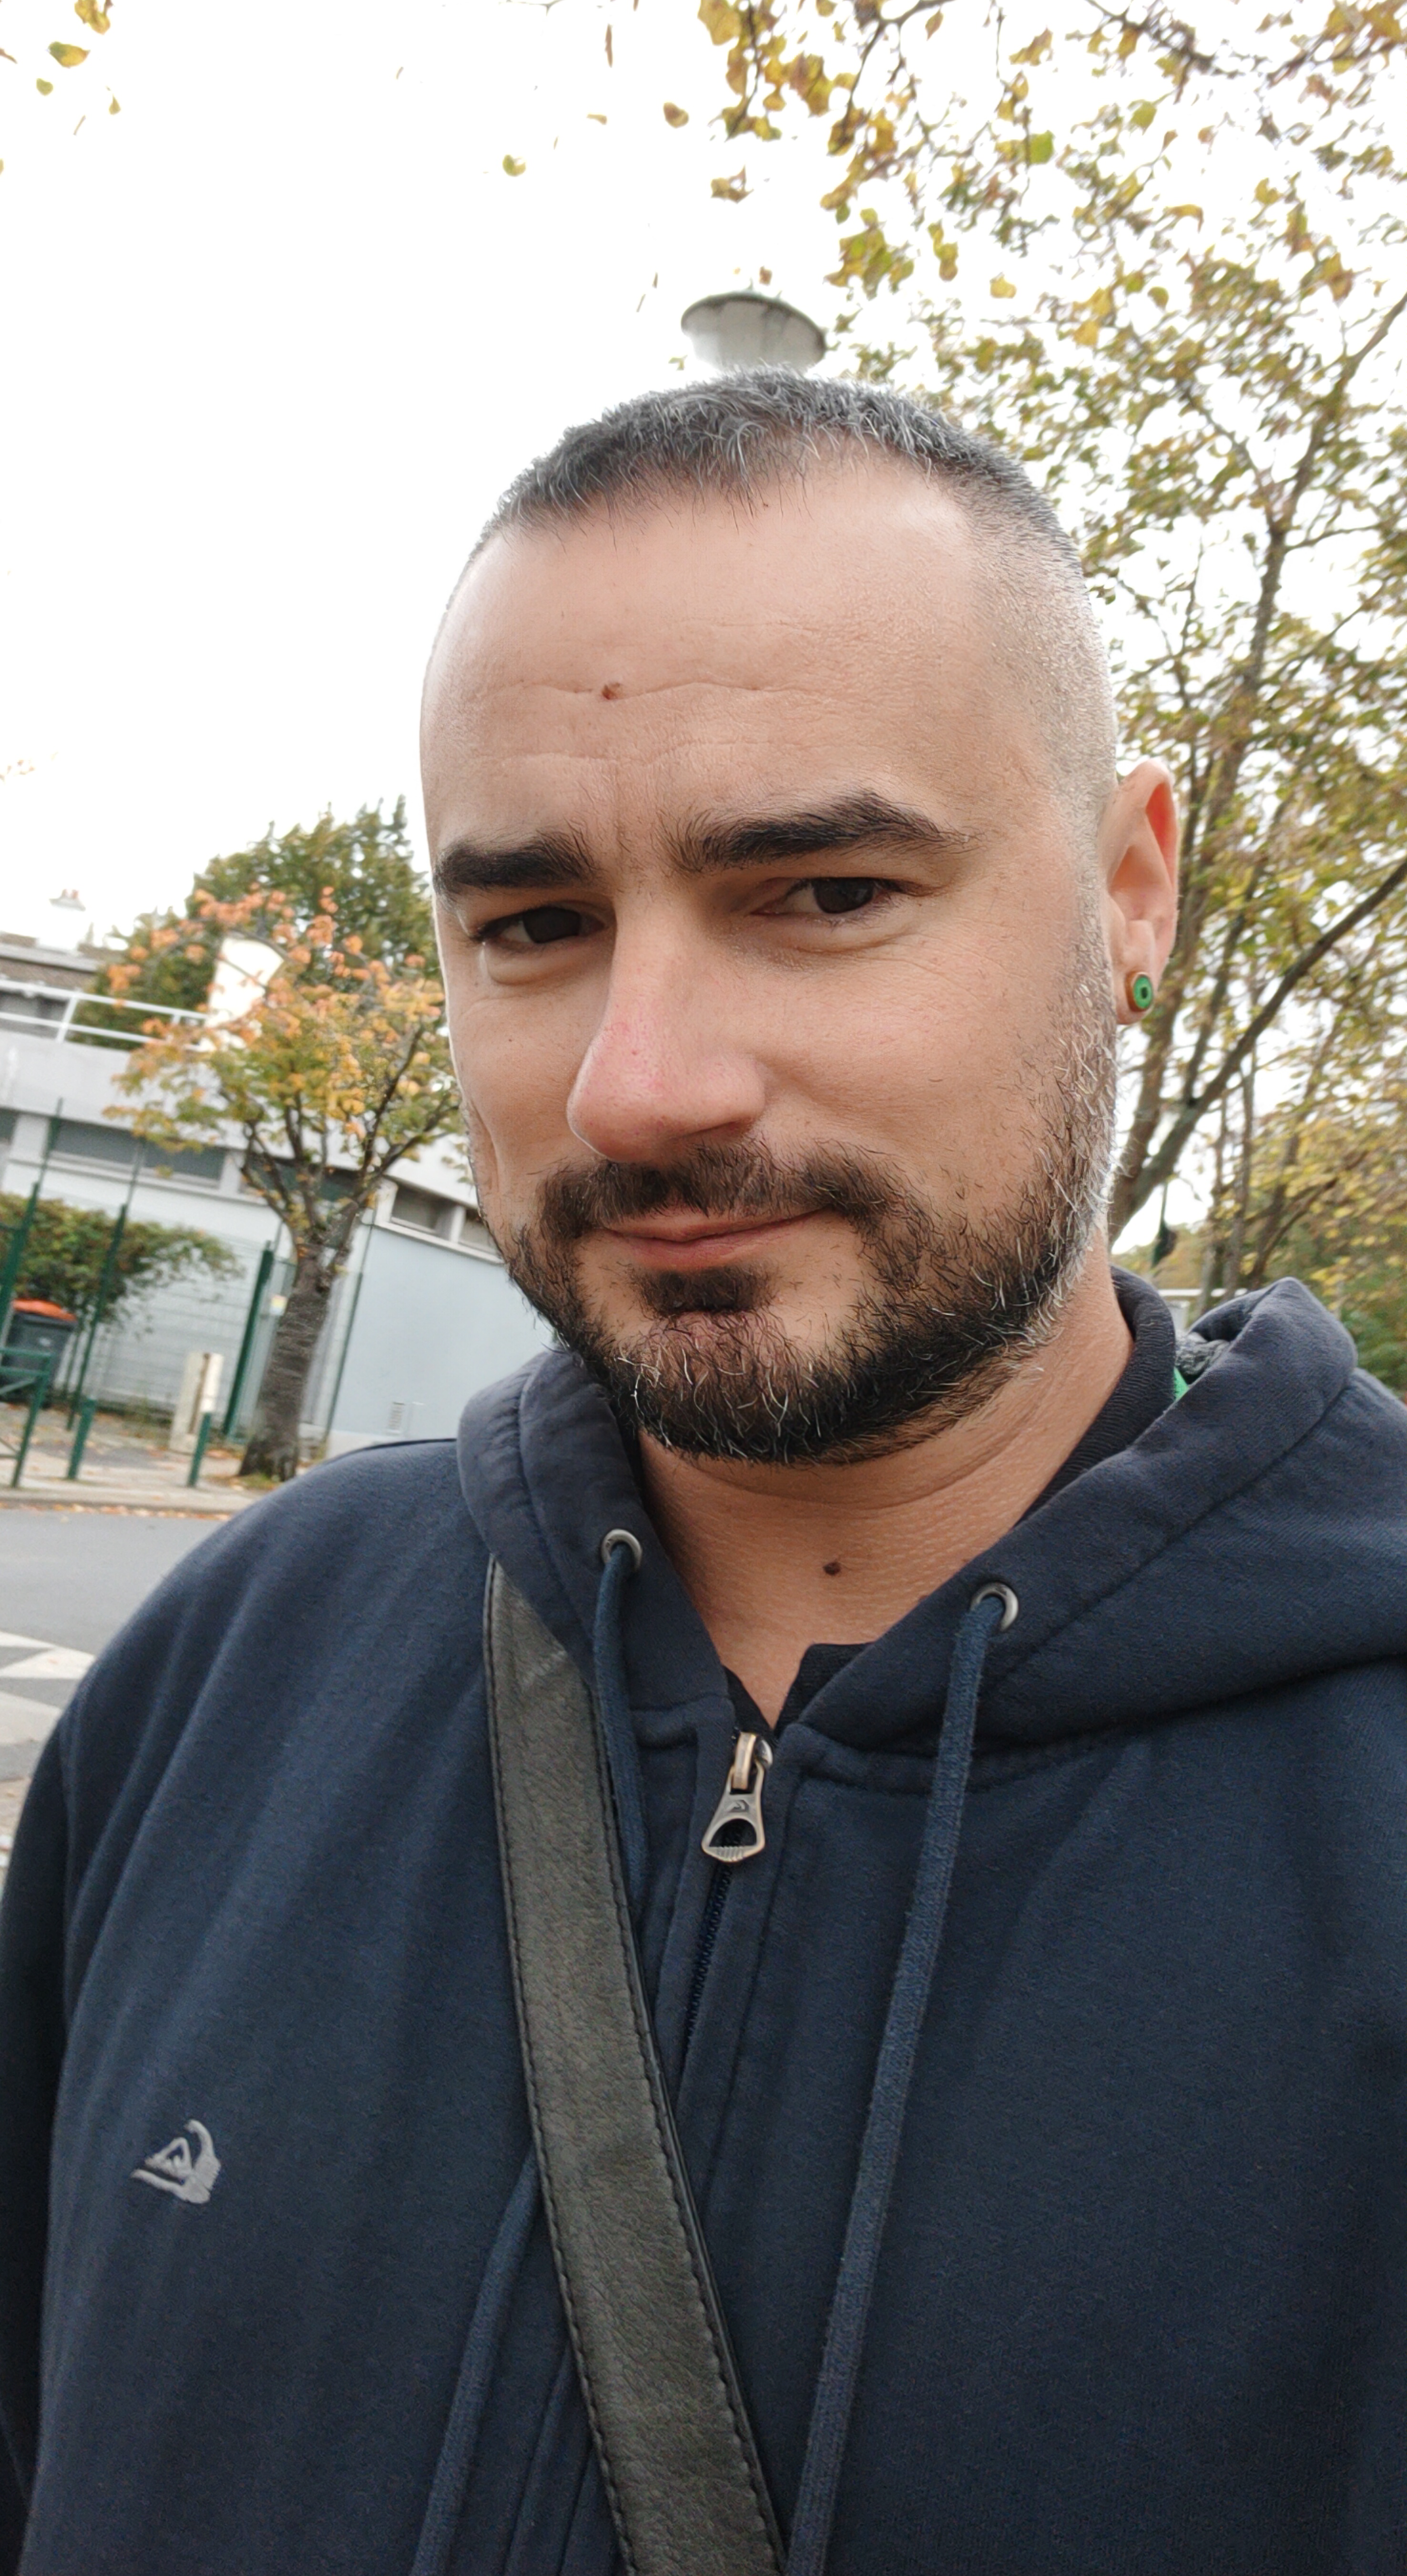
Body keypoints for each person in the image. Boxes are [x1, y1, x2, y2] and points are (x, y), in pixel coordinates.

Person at [3, 371, 1407, 2576]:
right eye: (532, 925)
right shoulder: (225, 1672)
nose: (639, 1086)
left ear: (1131, 886)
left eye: (824, 888)